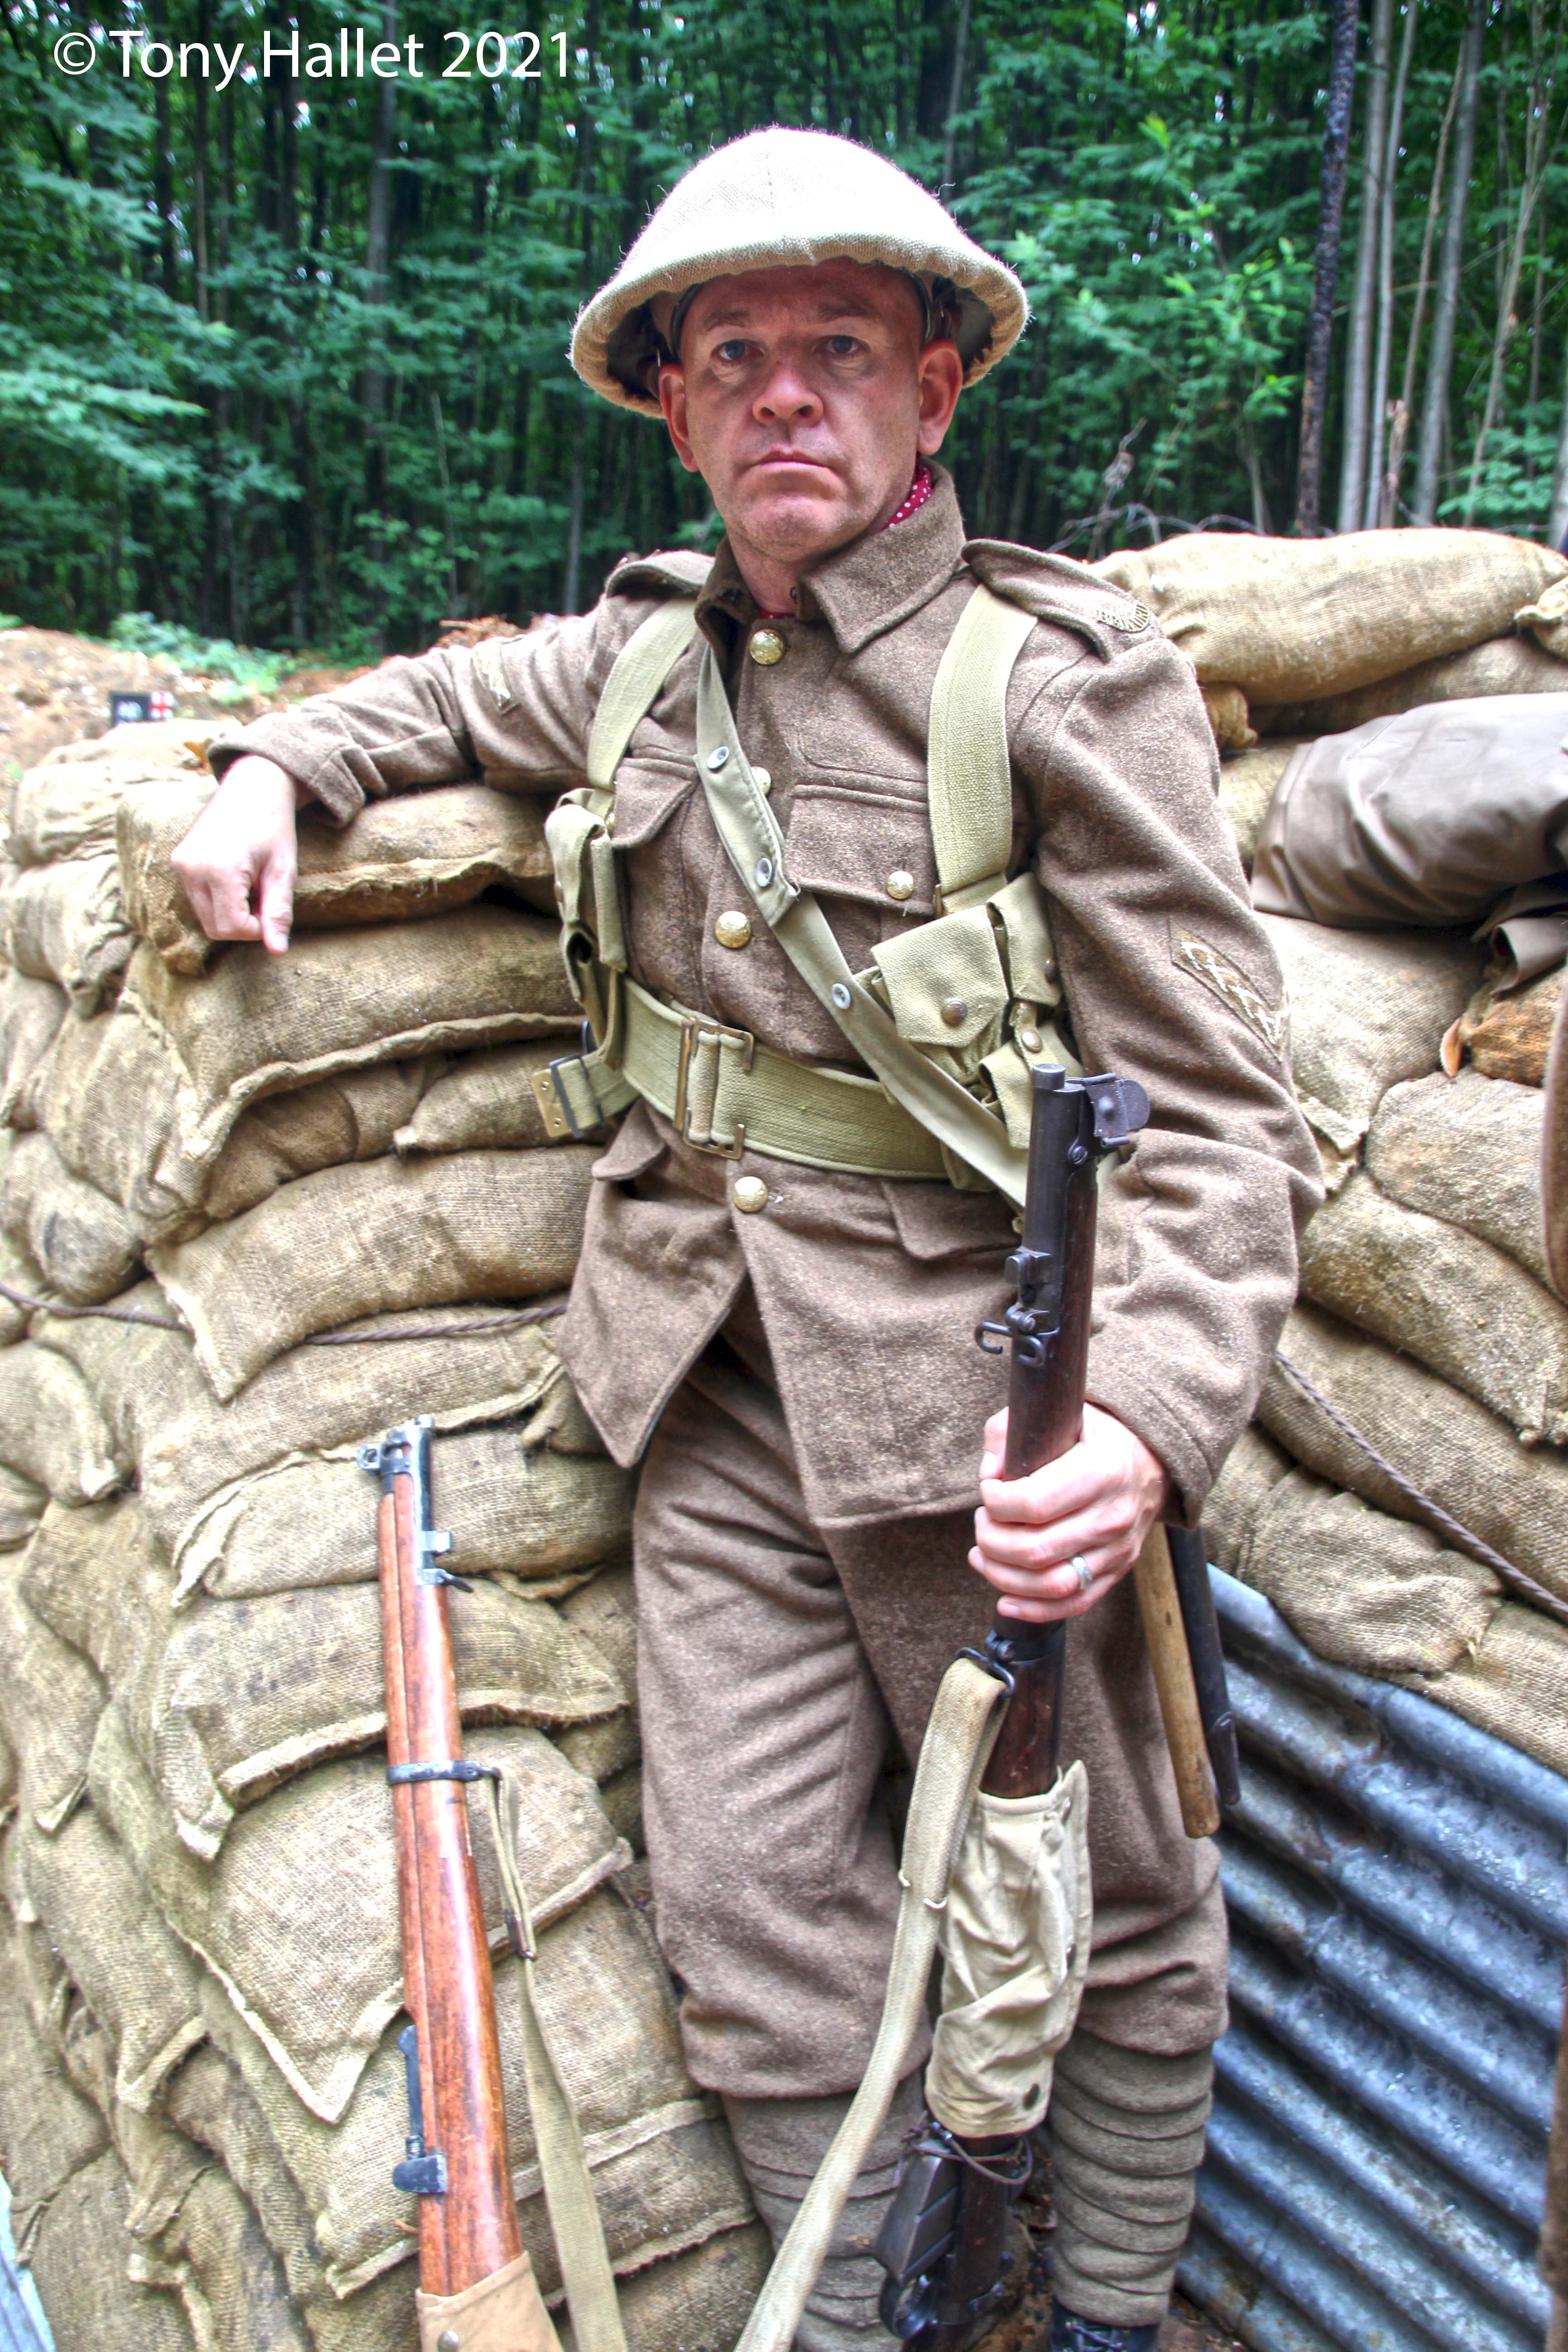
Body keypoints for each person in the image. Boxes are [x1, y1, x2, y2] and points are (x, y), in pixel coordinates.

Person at [176, 127, 1320, 2352]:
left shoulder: (1052, 683)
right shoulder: (641, 663)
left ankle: (1106, 2313)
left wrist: (1146, 1427)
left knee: (1110, 1896)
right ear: (674, 410)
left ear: (933, 392)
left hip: (989, 1419)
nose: (786, 395)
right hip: (706, 1389)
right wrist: (267, 770)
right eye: (734, 360)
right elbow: (442, 702)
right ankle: (877, 2322)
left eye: (842, 351)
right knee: (756, 1922)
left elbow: (1218, 1118)